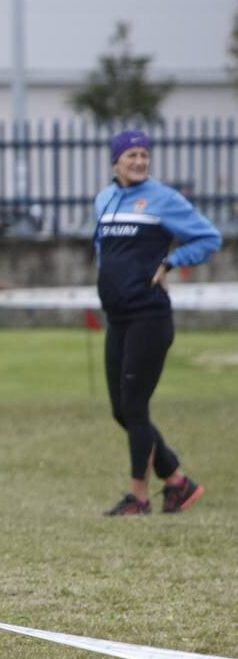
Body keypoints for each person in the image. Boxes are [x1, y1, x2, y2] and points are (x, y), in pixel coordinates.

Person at [93, 130, 220, 517]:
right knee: (121, 410)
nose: (139, 161)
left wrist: (170, 263)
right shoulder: (104, 198)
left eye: (144, 155)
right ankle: (178, 483)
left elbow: (209, 237)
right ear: (115, 161)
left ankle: (139, 497)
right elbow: (104, 249)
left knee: (134, 406)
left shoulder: (163, 199)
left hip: (150, 316)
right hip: (118, 317)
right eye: (131, 154)